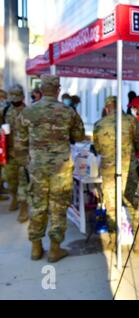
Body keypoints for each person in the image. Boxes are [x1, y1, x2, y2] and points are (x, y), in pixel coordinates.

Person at [18, 75, 85, 262]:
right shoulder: (68, 111)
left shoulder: (28, 112)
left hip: (37, 167)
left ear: (41, 89)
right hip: (60, 168)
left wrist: (28, 164)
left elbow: (19, 143)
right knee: (58, 206)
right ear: (58, 90)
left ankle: (36, 248)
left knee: (38, 205)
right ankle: (55, 249)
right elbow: (79, 136)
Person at [93, 96, 139, 255]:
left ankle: (113, 243)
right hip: (129, 170)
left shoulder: (99, 124)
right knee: (135, 206)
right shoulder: (130, 121)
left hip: (109, 172)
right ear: (119, 106)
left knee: (111, 207)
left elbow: (97, 148)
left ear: (107, 107)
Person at [4, 85, 30, 222]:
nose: (15, 101)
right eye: (12, 98)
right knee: (10, 179)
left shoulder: (29, 111)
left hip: (25, 153)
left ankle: (23, 208)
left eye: (17, 98)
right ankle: (13, 197)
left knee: (23, 181)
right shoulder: (5, 110)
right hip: (10, 152)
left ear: (22, 97)